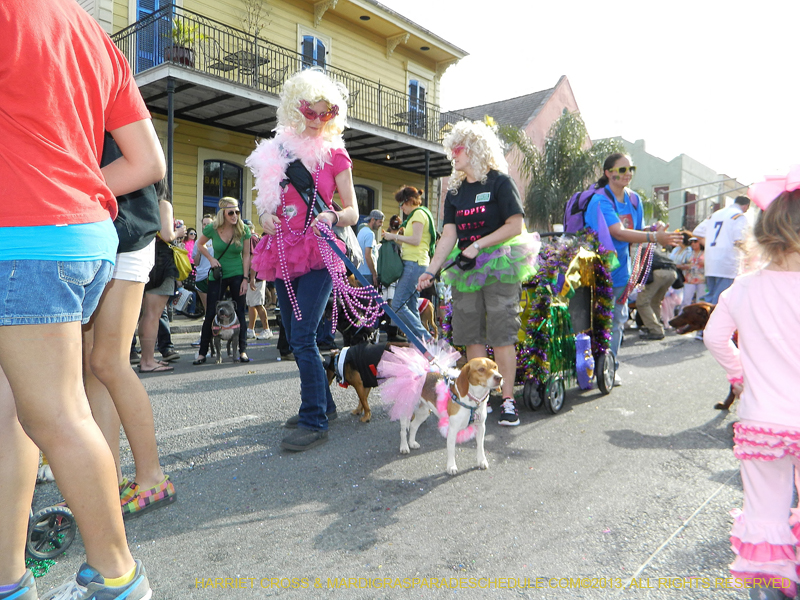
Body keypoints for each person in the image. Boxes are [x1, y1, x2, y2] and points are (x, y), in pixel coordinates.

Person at [0, 1, 164, 598]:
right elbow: (147, 161)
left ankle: (119, 580)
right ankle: (11, 578)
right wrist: (77, 192)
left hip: (23, 236)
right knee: (19, 410)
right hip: (80, 236)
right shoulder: (88, 30)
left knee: (57, 414)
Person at [247, 68, 358, 451]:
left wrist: (332, 216)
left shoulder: (336, 155)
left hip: (321, 250)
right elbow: (266, 203)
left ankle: (314, 419)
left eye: (326, 113)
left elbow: (354, 212)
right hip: (282, 250)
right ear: (296, 109)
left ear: (334, 115)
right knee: (295, 335)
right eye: (310, 110)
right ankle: (323, 405)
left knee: (303, 336)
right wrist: (264, 217)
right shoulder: (276, 152)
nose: (317, 119)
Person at [704, 169, 800, 599]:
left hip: (762, 422)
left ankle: (768, 590)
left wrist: (740, 375)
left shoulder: (742, 289)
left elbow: (713, 336)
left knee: (765, 514)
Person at [417, 120, 539, 426]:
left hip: (500, 263)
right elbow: (448, 236)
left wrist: (479, 245)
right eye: (451, 150)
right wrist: (430, 271)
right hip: (466, 270)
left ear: (474, 149)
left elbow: (515, 225)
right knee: (470, 334)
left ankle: (508, 400)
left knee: (501, 334)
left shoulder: (499, 182)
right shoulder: (455, 190)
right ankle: (478, 402)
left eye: (456, 149)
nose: (452, 155)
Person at [83, 136, 175, 520]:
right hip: (93, 233)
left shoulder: (112, 95)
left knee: (109, 362)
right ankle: (110, 477)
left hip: (126, 236)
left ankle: (152, 476)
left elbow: (152, 167)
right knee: (92, 365)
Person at [583, 154, 682, 384]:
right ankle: (586, 368)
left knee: (617, 321)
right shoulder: (600, 200)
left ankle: (610, 367)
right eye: (622, 168)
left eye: (631, 168)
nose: (628, 172)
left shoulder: (634, 200)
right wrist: (654, 236)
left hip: (621, 273)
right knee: (592, 322)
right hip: (595, 272)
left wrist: (652, 229)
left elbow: (634, 232)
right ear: (608, 173)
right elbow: (617, 232)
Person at [193, 197, 252, 364]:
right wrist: (211, 259)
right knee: (211, 313)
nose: (235, 215)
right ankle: (202, 353)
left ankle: (242, 351)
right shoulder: (213, 228)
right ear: (223, 214)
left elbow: (246, 255)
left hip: (237, 273)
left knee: (240, 312)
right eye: (231, 212)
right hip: (217, 274)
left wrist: (246, 279)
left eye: (237, 212)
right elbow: (200, 244)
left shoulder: (244, 229)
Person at [137, 186, 186, 373]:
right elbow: (167, 235)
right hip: (160, 262)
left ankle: (145, 357)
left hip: (140, 258)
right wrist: (178, 233)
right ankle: (148, 361)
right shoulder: (162, 204)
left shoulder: (139, 203)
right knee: (153, 315)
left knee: (143, 315)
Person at [382, 186, 434, 343]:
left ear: (410, 201)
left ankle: (426, 338)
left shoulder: (418, 214)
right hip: (416, 263)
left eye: (402, 204)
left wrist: (394, 237)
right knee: (411, 306)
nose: (401, 207)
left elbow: (416, 240)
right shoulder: (419, 214)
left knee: (397, 305)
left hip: (414, 263)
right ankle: (419, 344)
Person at [693, 195, 751, 304]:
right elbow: (739, 240)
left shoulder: (715, 214)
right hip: (727, 262)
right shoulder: (739, 216)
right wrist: (749, 254)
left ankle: (708, 320)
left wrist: (710, 246)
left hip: (711, 262)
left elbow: (697, 232)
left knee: (710, 297)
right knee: (723, 300)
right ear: (746, 206)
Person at [635, 248, 677, 340]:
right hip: (672, 272)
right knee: (656, 301)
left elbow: (637, 269)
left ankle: (655, 329)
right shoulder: (652, 250)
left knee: (642, 302)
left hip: (657, 273)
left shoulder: (638, 251)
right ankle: (654, 325)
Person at [245, 228, 273, 340]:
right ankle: (250, 329)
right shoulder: (256, 237)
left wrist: (252, 278)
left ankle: (266, 329)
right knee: (252, 304)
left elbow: (253, 258)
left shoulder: (251, 238)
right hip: (257, 276)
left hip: (255, 276)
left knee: (257, 304)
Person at [357, 209, 385, 287]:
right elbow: (368, 256)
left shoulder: (362, 231)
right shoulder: (370, 234)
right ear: (373, 220)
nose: (381, 225)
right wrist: (374, 274)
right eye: (380, 222)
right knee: (369, 298)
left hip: (359, 272)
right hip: (367, 274)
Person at [680, 236, 706, 309]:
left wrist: (704, 263)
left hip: (702, 280)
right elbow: (681, 264)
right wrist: (686, 266)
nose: (693, 244)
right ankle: (682, 316)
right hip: (689, 280)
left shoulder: (705, 253)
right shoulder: (688, 253)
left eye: (695, 242)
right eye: (691, 242)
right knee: (686, 300)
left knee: (701, 301)